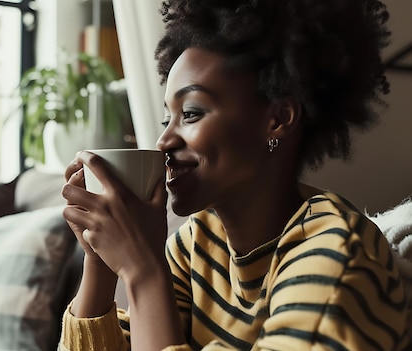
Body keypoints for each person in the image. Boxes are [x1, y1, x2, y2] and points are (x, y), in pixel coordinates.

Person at [58, 0, 410, 350]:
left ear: (278, 119)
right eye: (168, 118)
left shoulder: (335, 262)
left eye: (191, 113)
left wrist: (143, 273)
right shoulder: (197, 245)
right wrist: (100, 258)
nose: (164, 140)